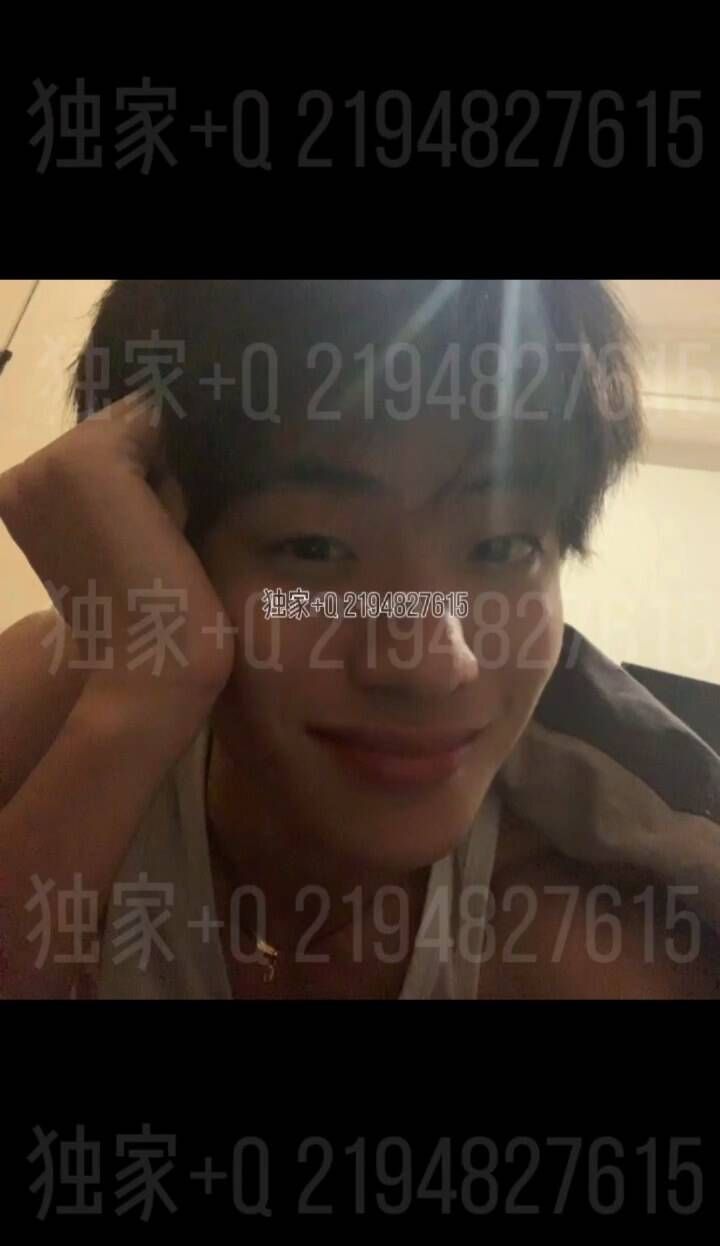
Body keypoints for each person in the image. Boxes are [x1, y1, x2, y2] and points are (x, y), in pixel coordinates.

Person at [1, 279, 719, 999]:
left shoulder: (590, 950)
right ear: (163, 537)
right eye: (313, 548)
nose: (433, 664)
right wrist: (135, 706)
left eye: (502, 548)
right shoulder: (56, 705)